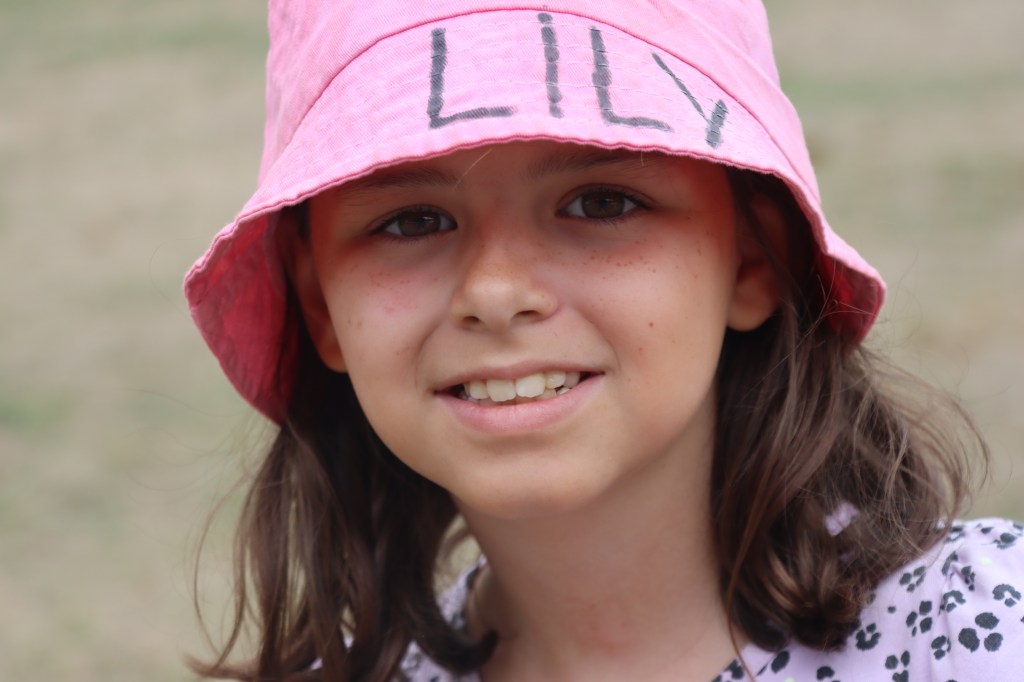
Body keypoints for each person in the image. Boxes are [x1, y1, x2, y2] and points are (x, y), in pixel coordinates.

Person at [183, 1, 1024, 680]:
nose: (496, 294)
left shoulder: (978, 636)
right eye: (412, 221)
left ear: (754, 255)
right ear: (321, 305)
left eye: (600, 203)